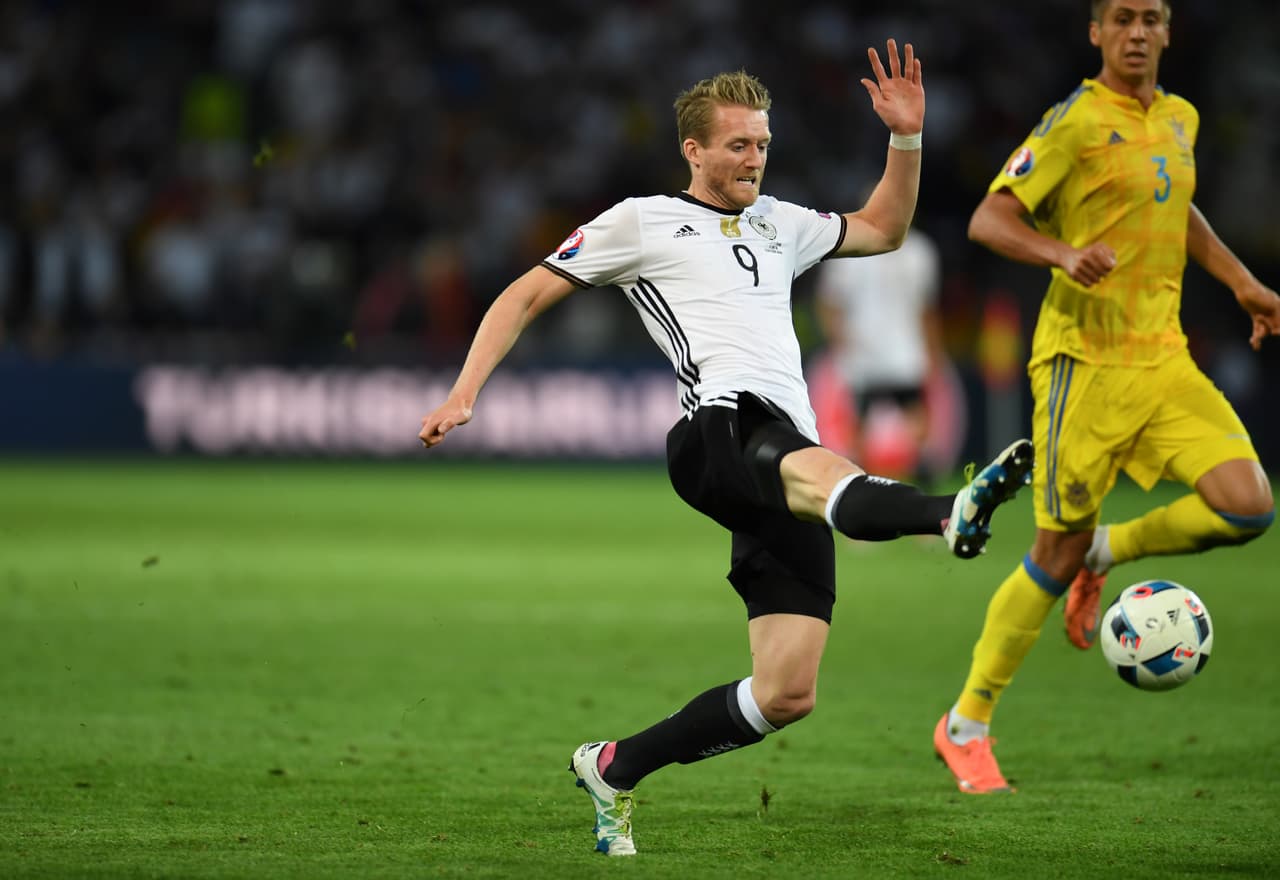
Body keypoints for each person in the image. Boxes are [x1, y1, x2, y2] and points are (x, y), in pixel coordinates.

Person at [420, 42, 1033, 855]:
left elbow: (884, 227)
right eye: (738, 145)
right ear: (695, 150)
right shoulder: (640, 220)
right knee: (817, 468)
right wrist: (467, 389)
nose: (754, 159)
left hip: (782, 450)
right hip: (716, 430)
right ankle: (947, 512)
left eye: (764, 144)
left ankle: (614, 766)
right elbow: (526, 291)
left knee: (786, 693)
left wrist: (907, 139)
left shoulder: (783, 223)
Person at [934, 0, 1280, 795]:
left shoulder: (1182, 118)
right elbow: (990, 219)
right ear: (1095, 32)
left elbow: (1175, 204)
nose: (1135, 32)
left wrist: (1242, 282)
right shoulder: (1074, 123)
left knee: (1248, 505)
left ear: (1167, 31)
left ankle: (1108, 551)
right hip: (1080, 366)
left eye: (1150, 18)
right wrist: (1059, 252)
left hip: (1163, 358)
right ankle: (966, 725)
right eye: (1120, 18)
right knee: (1050, 552)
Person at [814, 222, 945, 483]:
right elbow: (927, 309)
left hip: (872, 350)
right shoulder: (920, 250)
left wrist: (839, 340)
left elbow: (829, 304)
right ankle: (914, 466)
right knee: (909, 409)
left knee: (871, 411)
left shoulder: (849, 249)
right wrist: (933, 350)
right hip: (897, 350)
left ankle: (864, 472)